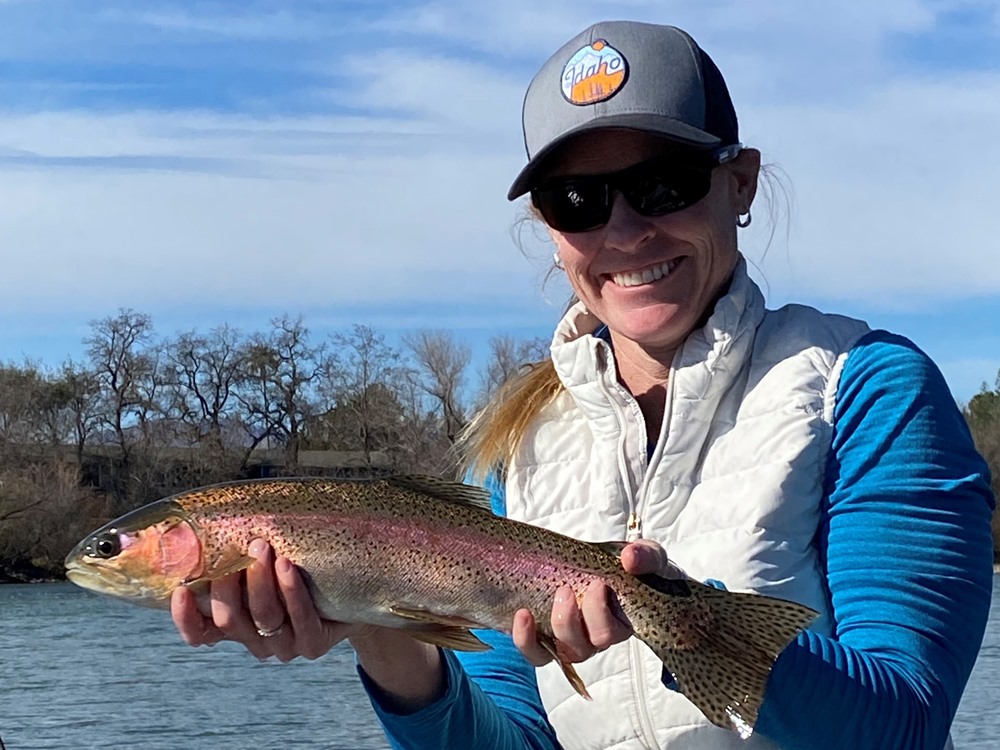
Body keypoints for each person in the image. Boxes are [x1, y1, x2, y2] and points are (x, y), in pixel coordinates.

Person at [171, 20, 995, 750]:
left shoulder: (870, 388)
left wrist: (681, 619)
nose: (626, 230)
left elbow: (905, 724)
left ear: (739, 182)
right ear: (549, 229)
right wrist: (378, 634)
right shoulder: (514, 445)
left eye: (663, 182)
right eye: (578, 200)